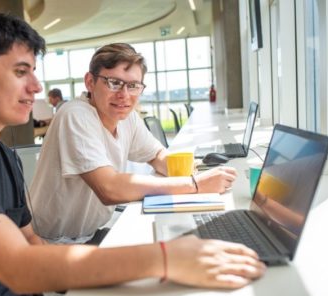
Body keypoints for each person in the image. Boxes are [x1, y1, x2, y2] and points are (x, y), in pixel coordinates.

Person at [0, 14, 265, 296]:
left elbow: (29, 242)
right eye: (21, 72)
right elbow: (19, 268)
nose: (37, 87)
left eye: (34, 72)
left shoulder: (2, 155)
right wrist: (167, 256)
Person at [29, 43, 239, 244]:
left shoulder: (126, 117)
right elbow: (109, 188)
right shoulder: (75, 115)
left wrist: (191, 173)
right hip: (55, 243)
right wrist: (195, 186)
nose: (124, 95)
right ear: (90, 82)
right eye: (114, 83)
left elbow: (157, 156)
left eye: (133, 86)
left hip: (91, 233)